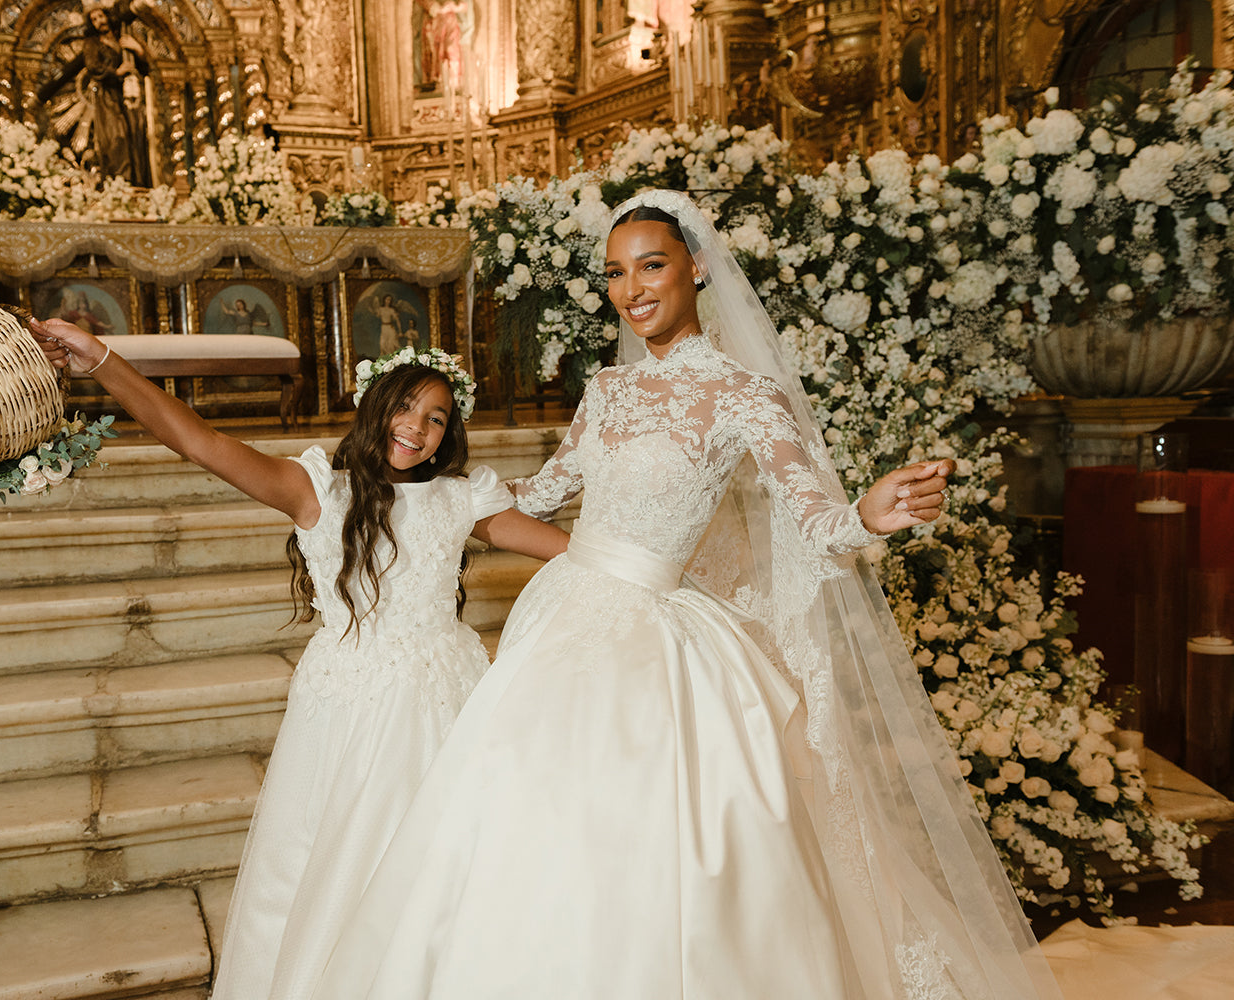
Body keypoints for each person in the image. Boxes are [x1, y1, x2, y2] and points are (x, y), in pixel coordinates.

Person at [309, 191, 1064, 999]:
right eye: (615, 273)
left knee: (661, 845)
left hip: (658, 640)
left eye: (652, 265)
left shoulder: (747, 394)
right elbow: (548, 490)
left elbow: (814, 520)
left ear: (696, 268)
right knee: (528, 825)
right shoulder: (606, 389)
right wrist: (423, 487)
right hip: (563, 619)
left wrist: (867, 517)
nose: (632, 289)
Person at [27, 318, 571, 1000]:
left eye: (436, 418)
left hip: (449, 695)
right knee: (341, 859)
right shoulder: (318, 490)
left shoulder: (462, 498)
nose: (417, 426)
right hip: (351, 702)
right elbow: (197, 440)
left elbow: (573, 553)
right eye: (405, 406)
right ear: (376, 406)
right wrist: (102, 359)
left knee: (449, 860)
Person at [35, 0, 152, 187]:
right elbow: (93, 66)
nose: (99, 21)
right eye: (94, 19)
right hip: (108, 99)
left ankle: (138, 183)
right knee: (116, 139)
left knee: (135, 136)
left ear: (107, 16)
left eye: (101, 16)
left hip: (129, 96)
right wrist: (117, 72)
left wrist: (137, 49)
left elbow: (145, 69)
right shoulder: (92, 43)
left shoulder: (123, 36)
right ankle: (119, 184)